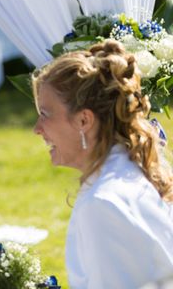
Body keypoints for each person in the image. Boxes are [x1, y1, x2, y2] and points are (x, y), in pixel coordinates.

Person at [32, 40, 173, 289]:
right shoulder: (128, 172)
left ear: (84, 120)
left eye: (45, 114)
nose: (37, 129)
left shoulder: (102, 203)